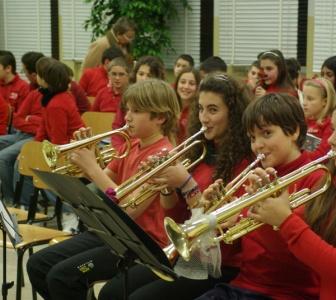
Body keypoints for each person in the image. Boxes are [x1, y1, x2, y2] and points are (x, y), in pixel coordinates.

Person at [217, 91, 336, 299]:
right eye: (333, 129)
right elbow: (291, 248)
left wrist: (284, 220)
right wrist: (258, 213)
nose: (331, 140)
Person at [98, 73, 252, 300]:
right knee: (111, 293)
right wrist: (165, 185)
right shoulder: (199, 151)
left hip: (216, 263)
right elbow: (174, 213)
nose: (203, 118)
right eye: (200, 109)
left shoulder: (244, 163)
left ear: (234, 114)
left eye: (213, 110)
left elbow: (214, 227)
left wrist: (186, 183)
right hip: (184, 252)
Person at [27, 79, 181, 300]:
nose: (127, 117)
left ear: (160, 118)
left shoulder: (164, 156)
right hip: (112, 232)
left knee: (63, 277)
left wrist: (91, 166)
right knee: (38, 264)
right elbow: (103, 184)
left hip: (141, 244)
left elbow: (128, 209)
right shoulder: (133, 145)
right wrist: (88, 159)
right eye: (127, 109)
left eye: (136, 111)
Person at [197, 92, 327, 300]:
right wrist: (216, 221)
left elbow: (300, 256)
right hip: (243, 284)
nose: (257, 145)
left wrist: (249, 218)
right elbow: (230, 255)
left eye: (266, 134)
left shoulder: (315, 178)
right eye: (252, 138)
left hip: (289, 293)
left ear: (293, 131)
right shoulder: (255, 176)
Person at [0, 52, 44, 204]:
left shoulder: (29, 90)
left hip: (35, 138)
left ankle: (11, 201)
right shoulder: (33, 91)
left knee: (3, 158)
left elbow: (44, 126)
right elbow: (18, 119)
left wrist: (29, 119)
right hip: (21, 132)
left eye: (25, 70)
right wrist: (30, 120)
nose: (23, 74)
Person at [110, 55, 165, 149]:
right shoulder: (127, 97)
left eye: (149, 75)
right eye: (141, 74)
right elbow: (117, 127)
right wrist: (120, 149)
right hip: (126, 149)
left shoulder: (161, 101)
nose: (144, 79)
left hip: (149, 148)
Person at [302, 78, 336, 160]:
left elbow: (321, 155)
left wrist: (298, 157)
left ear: (325, 101)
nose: (304, 103)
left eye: (310, 99)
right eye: (303, 97)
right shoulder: (304, 121)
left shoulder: (330, 124)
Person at [174, 67, 201, 143]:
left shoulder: (200, 112)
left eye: (191, 83)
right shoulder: (168, 107)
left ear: (198, 87)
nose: (186, 87)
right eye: (182, 82)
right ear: (177, 84)